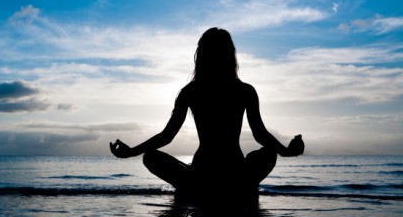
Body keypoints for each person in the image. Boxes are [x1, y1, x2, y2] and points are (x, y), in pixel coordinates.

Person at [109, 27, 304, 196]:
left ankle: (196, 186)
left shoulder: (192, 92)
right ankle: (235, 187)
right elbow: (260, 135)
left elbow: (167, 136)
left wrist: (132, 152)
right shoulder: (242, 91)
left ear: (201, 56)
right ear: (231, 56)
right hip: (232, 171)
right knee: (269, 153)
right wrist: (286, 151)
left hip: (203, 172)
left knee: (150, 156)